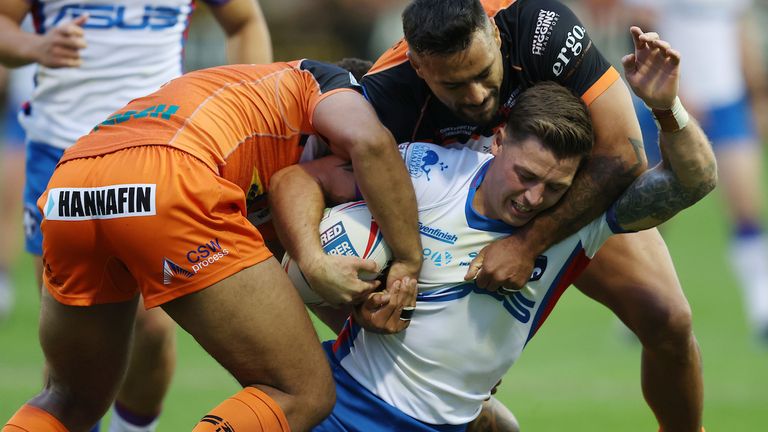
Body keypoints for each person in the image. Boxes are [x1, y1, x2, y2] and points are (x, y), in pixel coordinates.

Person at [268, 27, 715, 431]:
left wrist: (666, 108)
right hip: (342, 399)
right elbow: (297, 182)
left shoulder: (538, 28)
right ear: (499, 140)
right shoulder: (414, 158)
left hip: (431, 407)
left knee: (669, 316)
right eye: (526, 176)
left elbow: (693, 180)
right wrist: (348, 290)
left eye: (552, 186)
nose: (533, 198)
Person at [0, 59, 423, 432]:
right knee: (302, 392)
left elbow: (273, 292)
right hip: (169, 172)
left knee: (71, 399)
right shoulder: (331, 86)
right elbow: (370, 143)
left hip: (73, 182)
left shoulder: (262, 135)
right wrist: (408, 260)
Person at [0, 0, 271, 430]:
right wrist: (35, 45)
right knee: (73, 350)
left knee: (153, 330)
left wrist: (241, 119)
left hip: (156, 150)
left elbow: (243, 21)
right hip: (59, 152)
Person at [625, 0, 768, 344]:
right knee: (653, 211)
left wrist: (758, 95)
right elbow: (643, 31)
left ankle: (761, 307)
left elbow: (739, 32)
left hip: (727, 100)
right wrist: (676, 94)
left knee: (745, 206)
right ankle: (638, 305)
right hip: (669, 101)